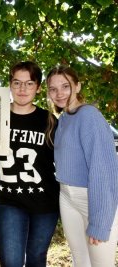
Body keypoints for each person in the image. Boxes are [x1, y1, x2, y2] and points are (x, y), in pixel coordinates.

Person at [0, 61, 60, 267]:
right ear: (10, 85)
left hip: (45, 202)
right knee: (11, 262)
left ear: (38, 87)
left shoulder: (49, 120)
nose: (22, 89)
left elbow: (62, 160)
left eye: (29, 83)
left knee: (36, 258)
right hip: (10, 200)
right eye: (17, 83)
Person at [46, 65, 118, 267]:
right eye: (53, 88)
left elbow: (104, 170)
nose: (59, 93)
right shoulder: (64, 119)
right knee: (80, 260)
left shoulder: (89, 116)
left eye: (65, 86)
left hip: (93, 200)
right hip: (67, 197)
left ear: (77, 86)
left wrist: (101, 221)